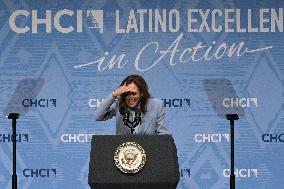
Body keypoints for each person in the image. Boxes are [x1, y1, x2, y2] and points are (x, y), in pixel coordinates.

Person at [95, 75, 167, 135]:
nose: (130, 97)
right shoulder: (119, 103)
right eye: (127, 93)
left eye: (134, 93)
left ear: (141, 93)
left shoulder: (156, 104)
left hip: (148, 149)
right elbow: (98, 116)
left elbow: (162, 134)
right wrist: (114, 95)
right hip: (123, 150)